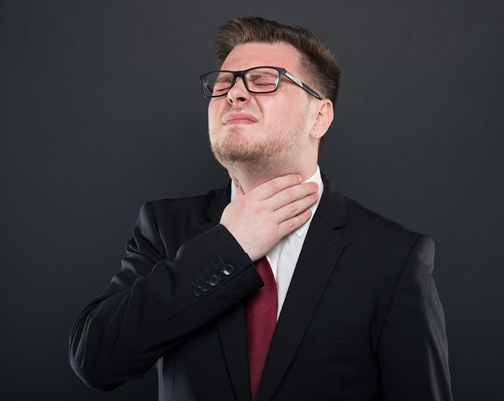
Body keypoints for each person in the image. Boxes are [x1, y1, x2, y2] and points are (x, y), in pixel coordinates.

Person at [69, 16, 453, 401]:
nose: (235, 93)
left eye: (264, 80)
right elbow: (94, 360)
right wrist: (227, 247)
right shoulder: (165, 228)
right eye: (224, 83)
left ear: (319, 116)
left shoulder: (393, 257)